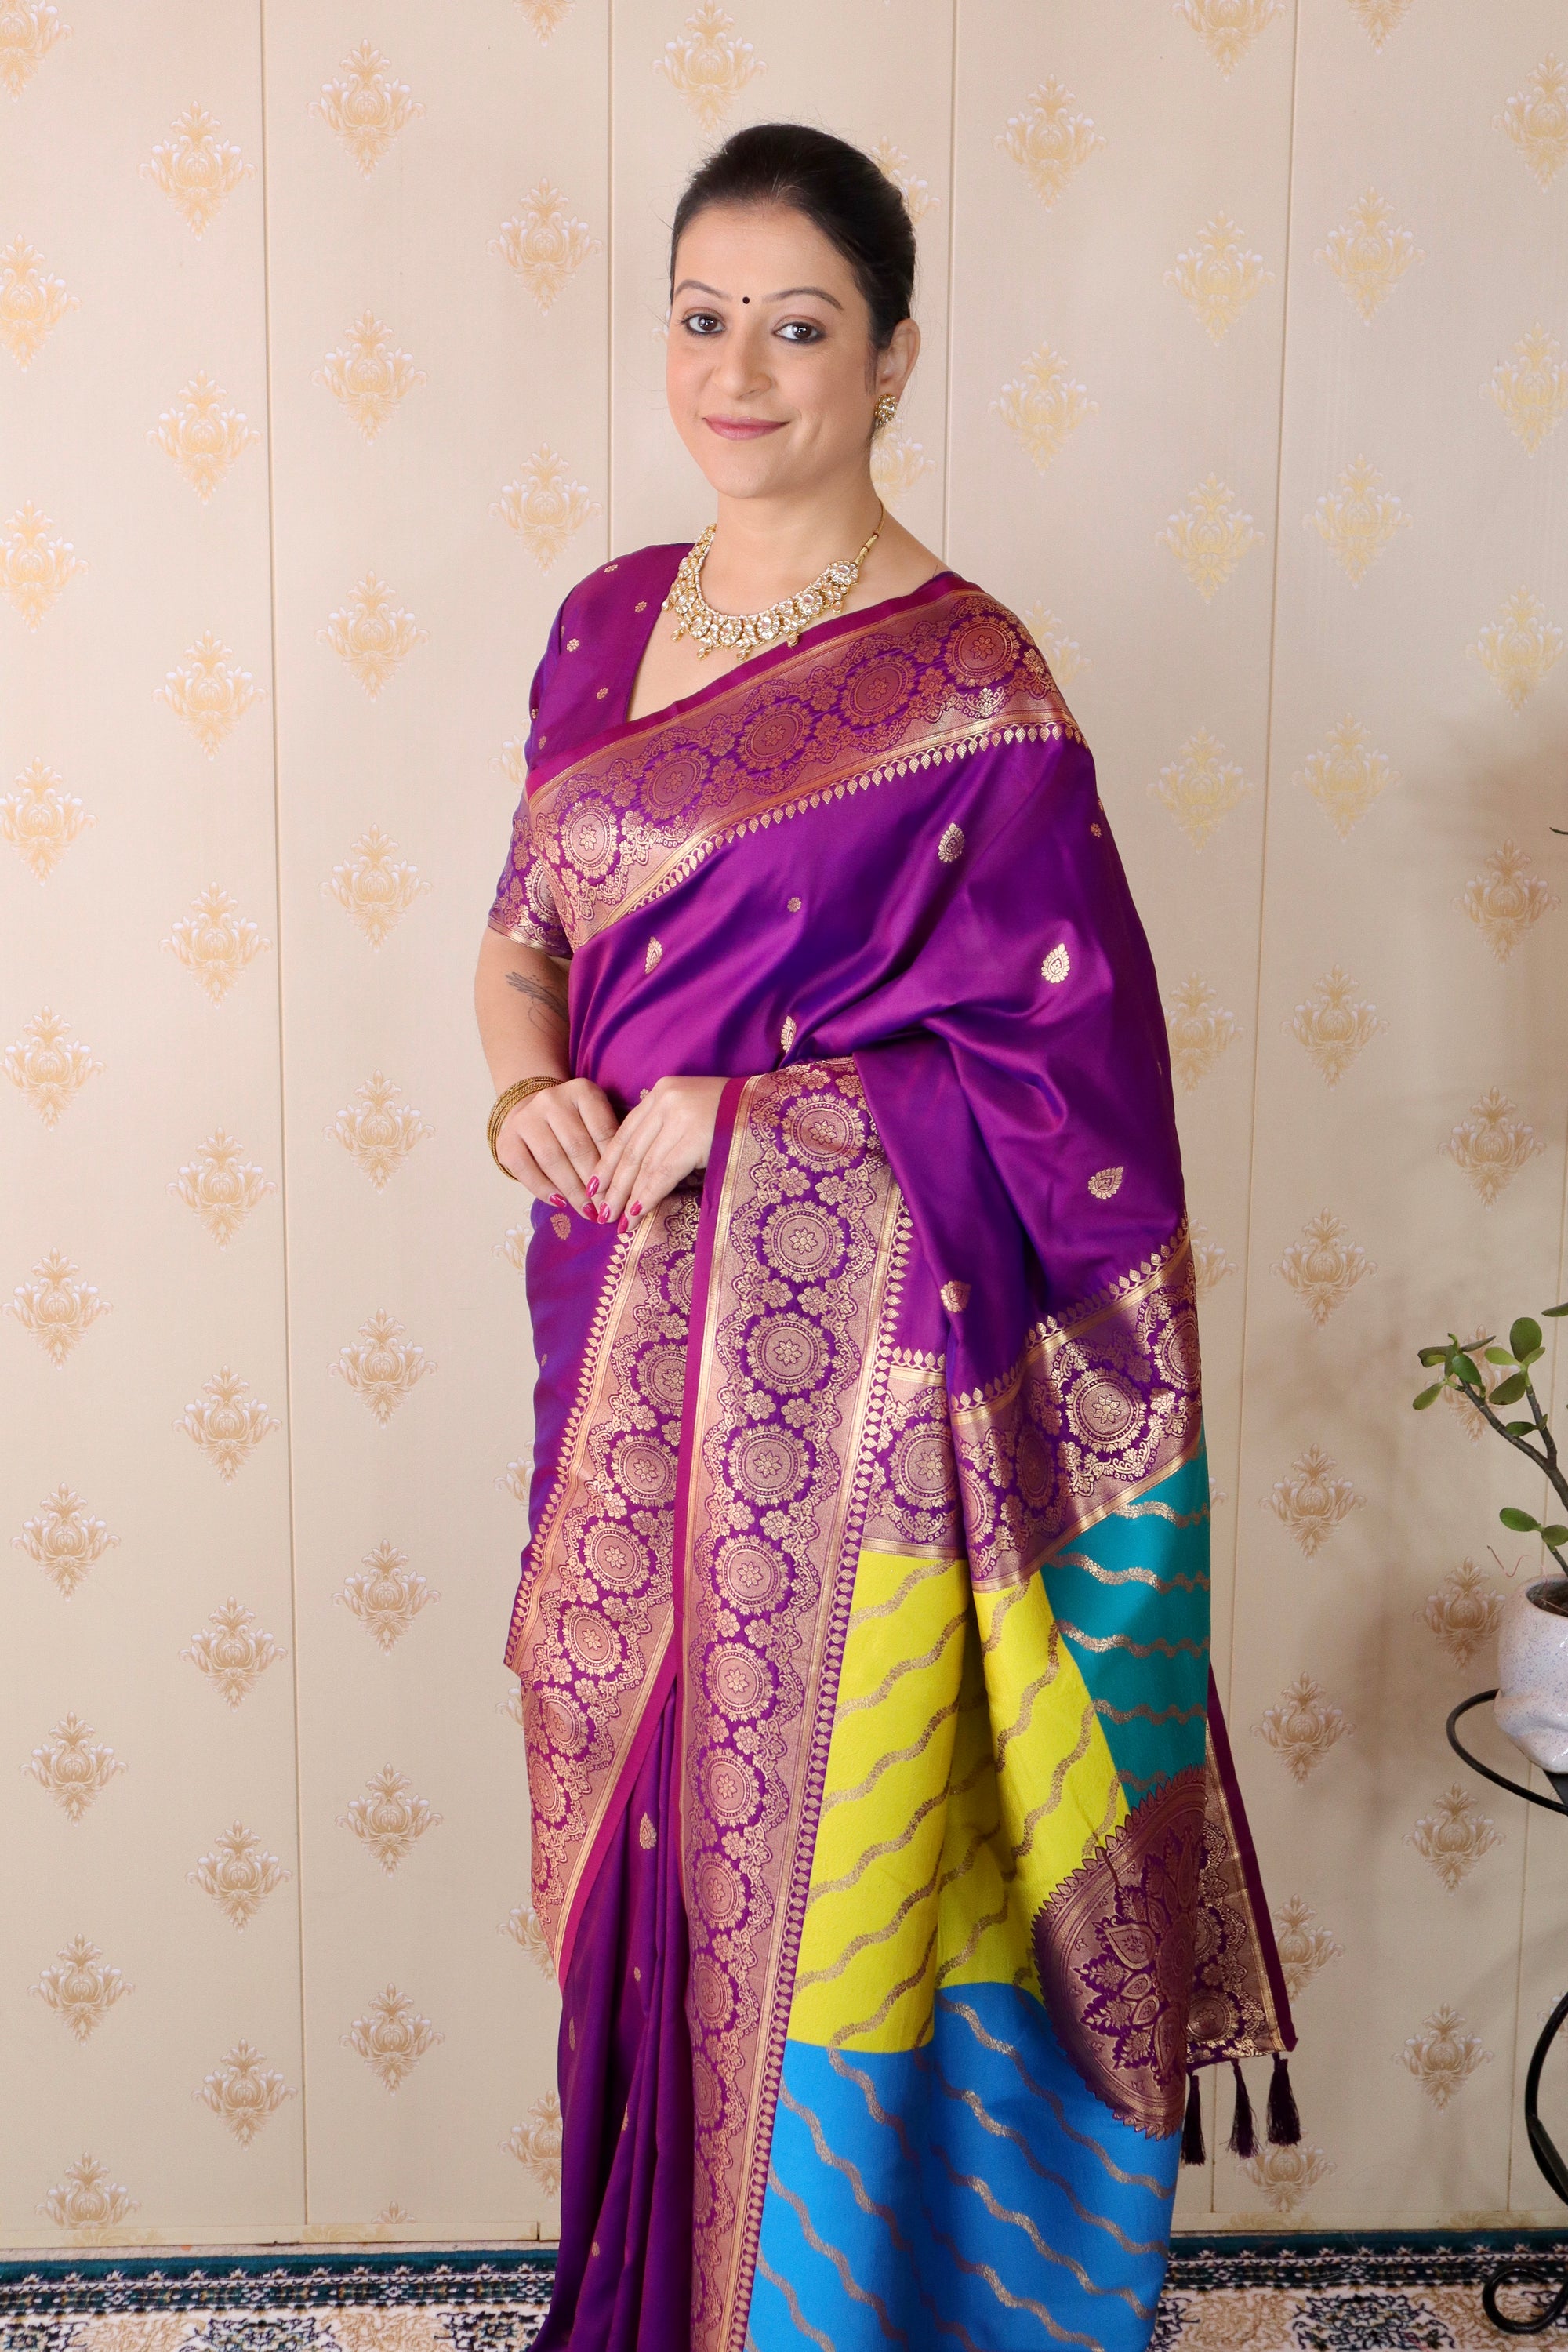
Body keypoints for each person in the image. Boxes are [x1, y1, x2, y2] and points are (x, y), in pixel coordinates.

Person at [474, 120, 1297, 2352]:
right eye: (702, 316)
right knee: (642, 1853)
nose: (737, 371)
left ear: (894, 357)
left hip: (854, 1418)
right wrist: (523, 1086)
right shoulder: (603, 623)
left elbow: (1079, 1097)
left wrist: (760, 1116)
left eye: (798, 325)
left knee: (834, 1882)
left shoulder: (970, 689)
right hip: (613, 1348)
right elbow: (524, 934)